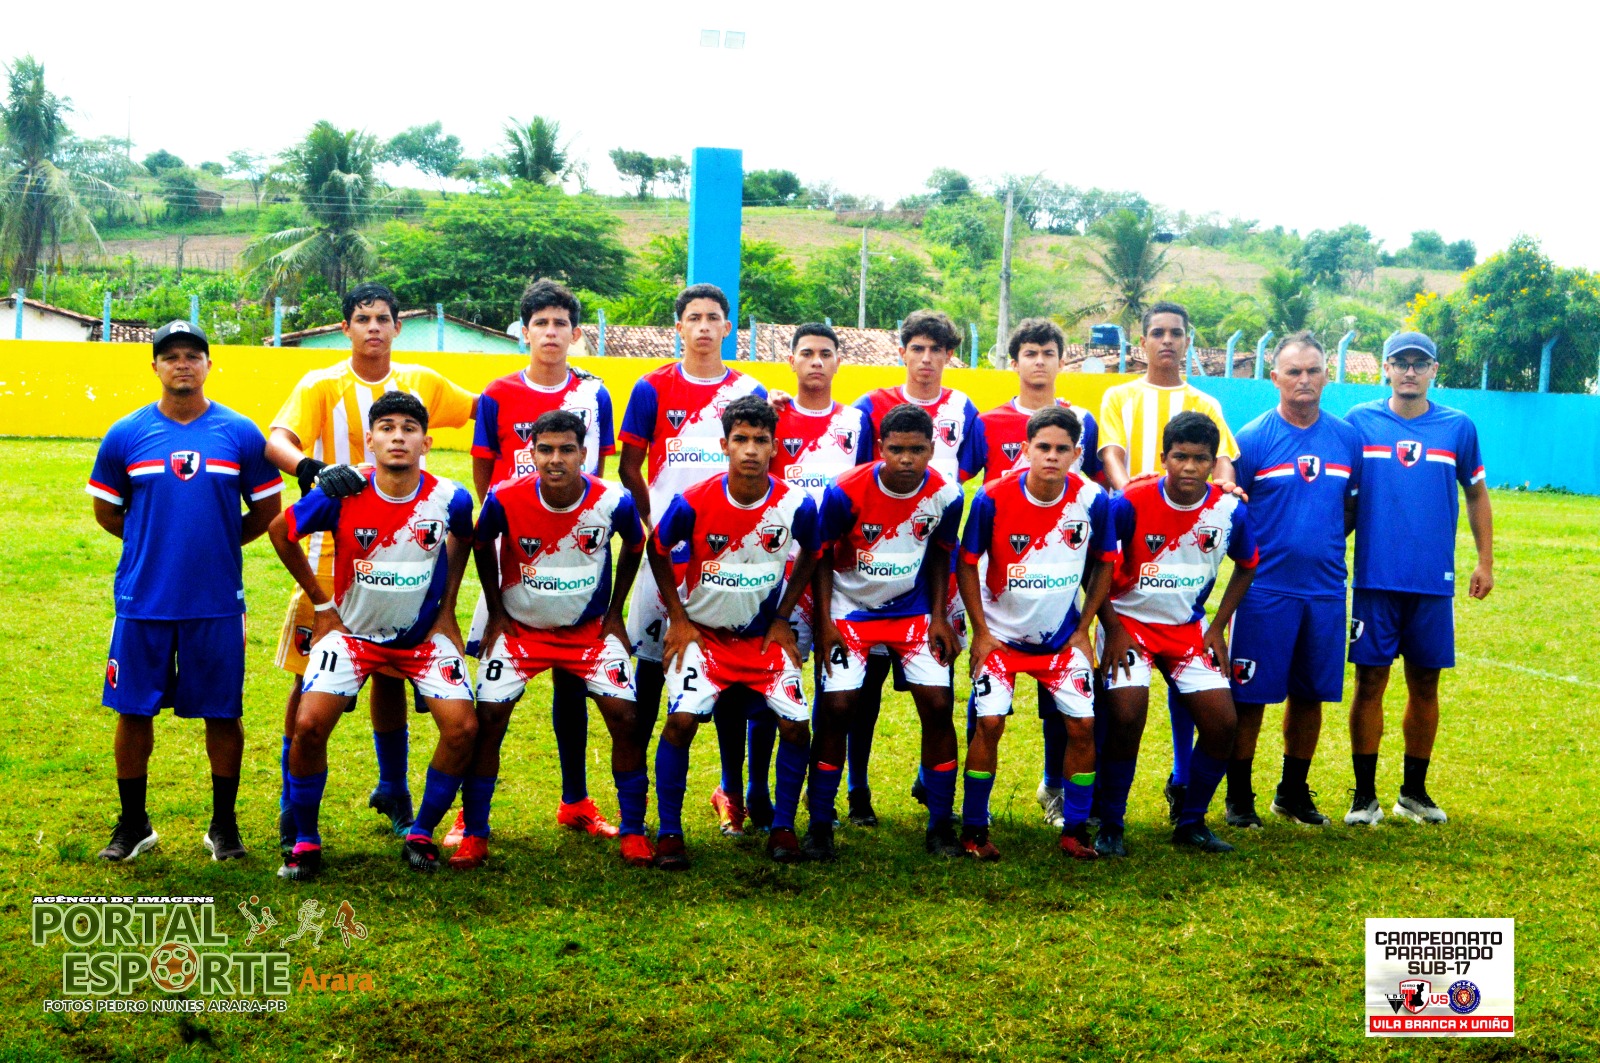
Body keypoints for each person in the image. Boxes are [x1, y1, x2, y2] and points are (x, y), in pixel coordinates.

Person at [263, 282, 476, 850]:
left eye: (383, 318)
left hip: (405, 553)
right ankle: (293, 798)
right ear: (347, 326)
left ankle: (392, 788)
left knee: (389, 669)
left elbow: (485, 409)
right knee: (307, 683)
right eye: (363, 318)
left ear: (397, 326)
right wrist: (310, 467)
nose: (374, 327)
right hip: (330, 555)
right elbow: (276, 439)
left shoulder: (422, 383)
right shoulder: (320, 383)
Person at [87, 322, 283, 862]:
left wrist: (220, 542)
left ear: (208, 364)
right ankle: (133, 824)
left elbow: (267, 512)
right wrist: (154, 541)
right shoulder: (126, 434)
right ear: (154, 366)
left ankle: (224, 826)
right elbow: (106, 509)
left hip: (216, 601)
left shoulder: (240, 433)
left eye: (192, 355)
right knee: (132, 711)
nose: (181, 364)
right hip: (143, 600)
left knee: (223, 712)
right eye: (170, 356)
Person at [454, 278, 618, 843]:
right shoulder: (498, 392)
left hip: (577, 549)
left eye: (560, 324)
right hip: (515, 550)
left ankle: (575, 800)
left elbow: (598, 473)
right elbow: (484, 473)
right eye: (540, 324)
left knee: (573, 685)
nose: (551, 333)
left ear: (576, 333)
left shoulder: (594, 394)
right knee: (495, 687)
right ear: (524, 331)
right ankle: (467, 814)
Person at [459, 410, 651, 869]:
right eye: (545, 449)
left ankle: (634, 831)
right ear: (531, 452)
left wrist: (615, 612)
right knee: (487, 720)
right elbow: (481, 545)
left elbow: (637, 543)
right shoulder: (504, 498)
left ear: (584, 454)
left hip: (587, 634)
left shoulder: (612, 500)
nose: (555, 459)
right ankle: (475, 831)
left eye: (567, 449)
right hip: (521, 632)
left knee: (626, 718)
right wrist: (498, 610)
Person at [646, 396, 820, 869]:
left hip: (763, 639)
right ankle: (669, 831)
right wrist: (680, 619)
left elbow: (812, 553)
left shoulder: (795, 503)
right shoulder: (695, 501)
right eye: (740, 440)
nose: (749, 449)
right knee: (681, 722)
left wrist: (783, 616)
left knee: (796, 726)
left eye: (760, 440)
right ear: (724, 444)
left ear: (773, 446)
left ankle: (783, 826)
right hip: (704, 636)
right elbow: (656, 548)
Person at [617, 283, 767, 823]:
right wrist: (653, 522)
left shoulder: (750, 388)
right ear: (678, 327)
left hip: (733, 555)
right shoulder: (651, 387)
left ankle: (731, 790)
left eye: (713, 317)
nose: (703, 326)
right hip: (669, 553)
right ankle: (641, 803)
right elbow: (629, 465)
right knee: (654, 669)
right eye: (693, 317)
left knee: (732, 670)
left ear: (728, 327)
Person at [718, 323, 875, 837]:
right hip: (771, 570)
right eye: (805, 353)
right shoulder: (774, 415)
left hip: (834, 575)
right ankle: (749, 791)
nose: (815, 362)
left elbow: (867, 489)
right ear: (789, 359)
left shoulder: (856, 421)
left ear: (837, 362)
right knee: (762, 684)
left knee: (840, 690)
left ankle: (842, 791)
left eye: (824, 354)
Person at [1096, 300, 1240, 822]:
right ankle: (1105, 813)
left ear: (1187, 339)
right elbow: (1110, 450)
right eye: (1156, 332)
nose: (1166, 341)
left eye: (1175, 333)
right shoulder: (1119, 395)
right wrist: (1127, 494)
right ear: (1143, 340)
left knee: (1209, 709)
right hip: (1136, 534)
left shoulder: (1205, 402)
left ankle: (1187, 802)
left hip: (1186, 555)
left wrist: (1222, 489)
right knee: (1125, 712)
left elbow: (1223, 460)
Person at [1344, 331, 1493, 826]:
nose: (1409, 371)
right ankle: (1363, 796)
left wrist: (1485, 561)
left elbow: (1476, 494)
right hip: (1374, 579)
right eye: (1400, 362)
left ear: (1434, 370)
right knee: (1370, 682)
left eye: (1419, 363)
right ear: (1385, 367)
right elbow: (1341, 497)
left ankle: (1413, 792)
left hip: (1433, 581)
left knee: (1425, 684)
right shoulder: (1360, 423)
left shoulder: (1458, 426)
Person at [1094, 411, 1258, 856]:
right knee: (1127, 717)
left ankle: (1191, 823)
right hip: (1129, 625)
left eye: (1200, 459)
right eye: (1180, 457)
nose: (1189, 467)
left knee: (1223, 723)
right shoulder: (1129, 501)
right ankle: (1110, 824)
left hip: (1188, 629)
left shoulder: (1228, 509)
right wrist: (1111, 627)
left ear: (1214, 464)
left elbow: (1247, 566)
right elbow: (1098, 568)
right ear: (1163, 457)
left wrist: (1219, 626)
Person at [845, 309, 983, 826]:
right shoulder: (872, 406)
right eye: (917, 349)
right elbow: (858, 473)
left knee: (935, 679)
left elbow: (966, 471)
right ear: (902, 352)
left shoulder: (964, 407)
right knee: (864, 687)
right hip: (877, 555)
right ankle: (857, 792)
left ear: (950, 356)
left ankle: (933, 782)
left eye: (937, 350)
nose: (926, 360)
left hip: (933, 557)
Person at [958, 405, 1115, 861]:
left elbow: (1105, 562)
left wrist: (1085, 628)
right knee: (988, 723)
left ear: (1077, 453)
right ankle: (973, 829)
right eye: (1042, 447)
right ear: (1025, 449)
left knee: (1084, 725)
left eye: (1062, 449)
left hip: (1060, 639)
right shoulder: (992, 497)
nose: (1051, 456)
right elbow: (967, 565)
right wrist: (982, 633)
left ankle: (1076, 829)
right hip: (1001, 640)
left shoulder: (1092, 500)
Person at [810, 404, 965, 860]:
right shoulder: (845, 491)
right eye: (896, 450)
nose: (906, 459)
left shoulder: (947, 494)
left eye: (917, 450)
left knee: (938, 704)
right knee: (839, 706)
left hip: (912, 610)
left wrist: (938, 615)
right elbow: (820, 555)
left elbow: (940, 553)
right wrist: (824, 623)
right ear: (880, 449)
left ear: (932, 450)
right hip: (849, 608)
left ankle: (940, 824)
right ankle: (820, 822)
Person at [1224, 332, 1362, 829]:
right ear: (1275, 376)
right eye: (1294, 371)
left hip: (1325, 590)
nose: (1305, 380)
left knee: (1311, 695)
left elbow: (1350, 506)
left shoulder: (1346, 438)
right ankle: (1239, 796)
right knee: (1251, 697)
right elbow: (1233, 514)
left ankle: (1293, 791)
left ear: (1327, 375)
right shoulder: (1253, 438)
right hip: (1264, 592)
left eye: (1314, 370)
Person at [978, 317, 1105, 832]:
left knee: (1063, 687)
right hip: (1000, 572)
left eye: (1048, 352)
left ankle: (1055, 784)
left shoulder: (1084, 421)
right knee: (984, 692)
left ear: (1060, 360)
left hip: (1059, 565)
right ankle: (945, 784)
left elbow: (1094, 493)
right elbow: (958, 478)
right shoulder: (987, 421)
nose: (1038, 361)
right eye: (1028, 352)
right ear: (1014, 362)